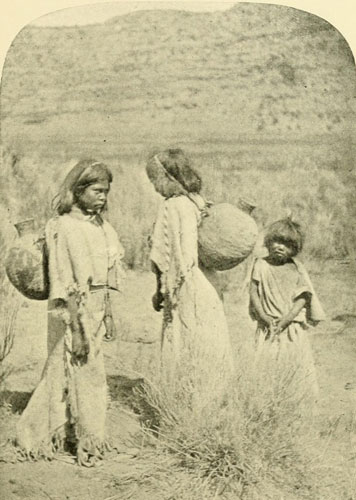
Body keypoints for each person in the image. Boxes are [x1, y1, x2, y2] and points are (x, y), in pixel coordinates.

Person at [16, 159, 125, 466]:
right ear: (78, 190)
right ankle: (50, 436)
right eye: (96, 190)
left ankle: (78, 436)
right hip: (71, 312)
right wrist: (76, 331)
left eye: (106, 191)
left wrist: (110, 315)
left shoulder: (101, 226)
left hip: (95, 308)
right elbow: (64, 283)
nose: (103, 197)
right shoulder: (63, 228)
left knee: (88, 373)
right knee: (69, 369)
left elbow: (106, 275)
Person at [147, 149, 233, 413]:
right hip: (206, 284)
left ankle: (187, 406)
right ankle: (213, 401)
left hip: (185, 284)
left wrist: (163, 289)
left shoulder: (172, 206)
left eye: (155, 181)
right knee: (209, 339)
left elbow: (174, 254)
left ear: (169, 177)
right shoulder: (198, 201)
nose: (154, 187)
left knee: (186, 340)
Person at [249, 218, 325, 411]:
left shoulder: (297, 268)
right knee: (266, 367)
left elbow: (302, 298)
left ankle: (296, 407)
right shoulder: (260, 265)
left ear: (295, 248)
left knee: (295, 366)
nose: (281, 247)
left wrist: (286, 319)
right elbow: (253, 292)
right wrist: (265, 317)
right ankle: (265, 407)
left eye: (287, 244)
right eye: (277, 241)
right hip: (268, 328)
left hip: (291, 328)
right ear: (269, 241)